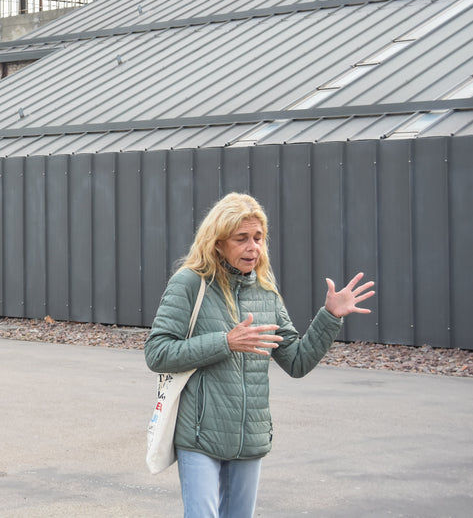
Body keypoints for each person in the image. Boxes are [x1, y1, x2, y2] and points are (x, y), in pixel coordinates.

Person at [144, 193, 375, 518]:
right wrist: (225, 342)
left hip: (250, 437)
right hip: (199, 435)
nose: (253, 247)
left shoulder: (265, 292)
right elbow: (157, 352)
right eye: (242, 239)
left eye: (258, 238)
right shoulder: (189, 284)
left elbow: (296, 361)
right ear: (218, 242)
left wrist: (329, 316)